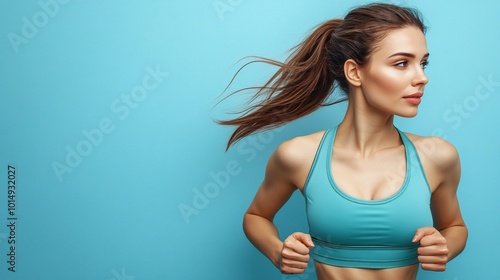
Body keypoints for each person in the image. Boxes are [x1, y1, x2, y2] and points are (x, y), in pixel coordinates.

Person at [217, 2, 468, 279]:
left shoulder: (437, 156)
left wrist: (445, 246)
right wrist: (278, 251)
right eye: (401, 63)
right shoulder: (299, 156)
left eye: (423, 63)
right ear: (354, 72)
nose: (422, 78)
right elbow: (256, 217)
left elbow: (455, 226)